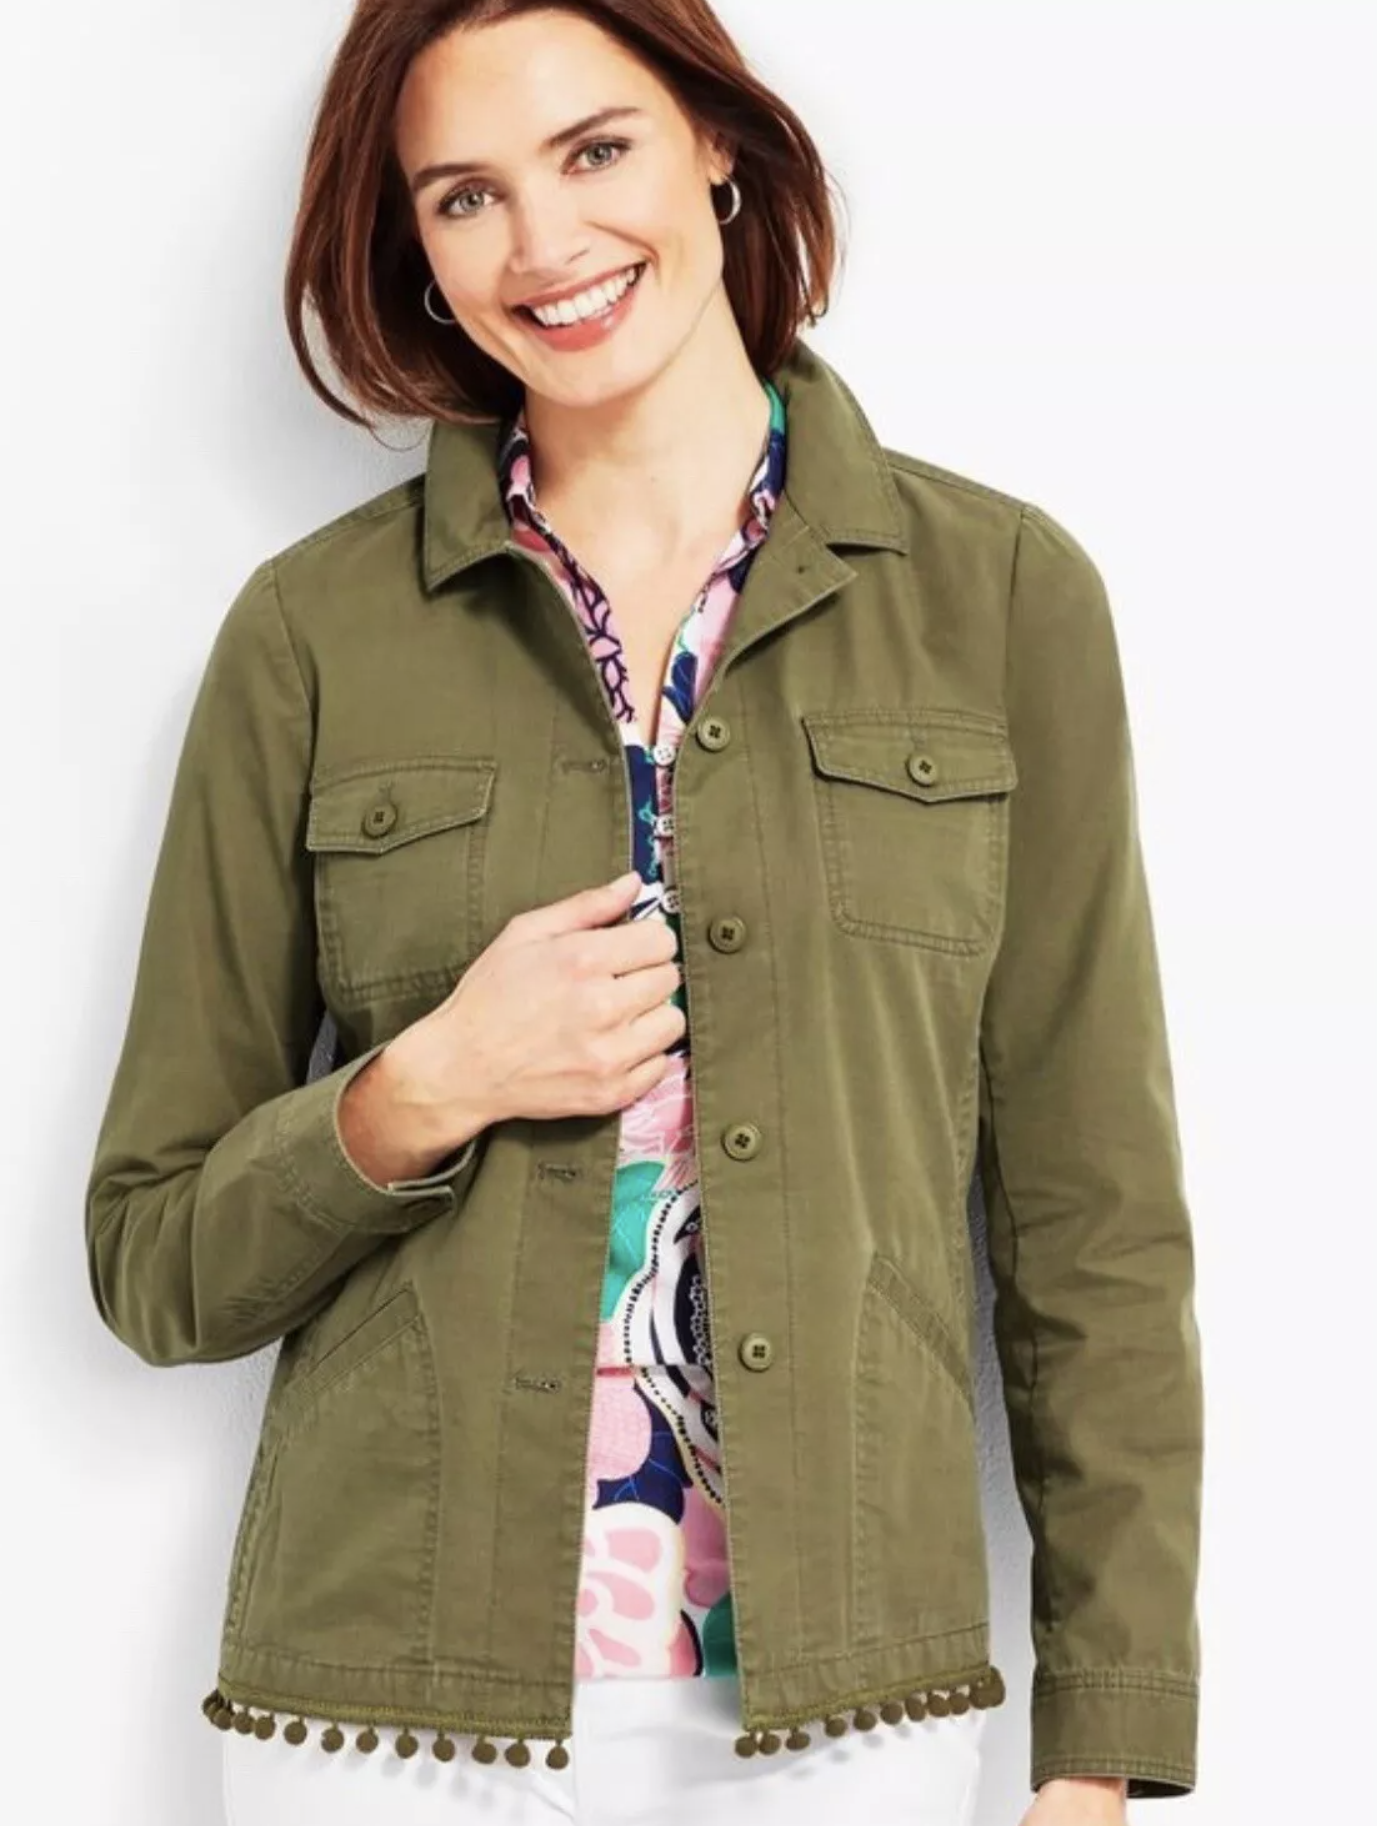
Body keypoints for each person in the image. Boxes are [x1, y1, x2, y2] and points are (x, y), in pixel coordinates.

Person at [83, 3, 1204, 1824]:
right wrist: (424, 1086)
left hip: (846, 1717)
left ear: (717, 145)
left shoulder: (1001, 601)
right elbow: (153, 1259)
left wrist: (1102, 1748)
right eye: (465, 196)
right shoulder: (311, 635)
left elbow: (1099, 1230)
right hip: (395, 1722)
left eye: (595, 151)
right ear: (416, 250)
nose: (546, 243)